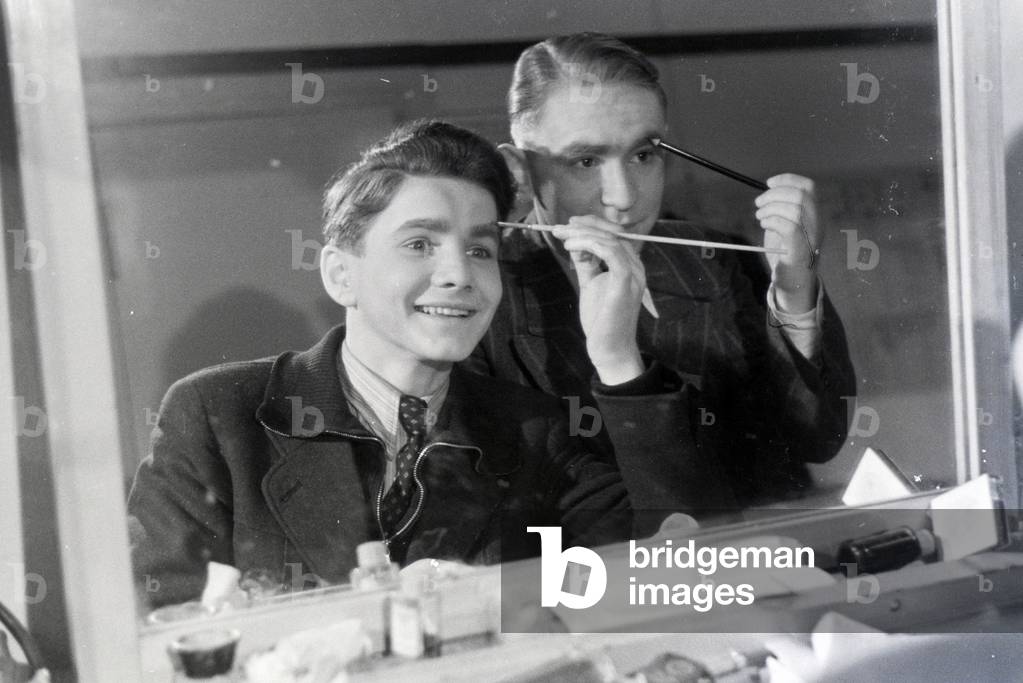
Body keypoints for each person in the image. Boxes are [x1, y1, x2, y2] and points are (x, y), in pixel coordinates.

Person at [126, 120, 695, 609]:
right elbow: (160, 628)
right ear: (339, 274)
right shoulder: (216, 415)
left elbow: (677, 579)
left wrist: (617, 358)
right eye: (420, 244)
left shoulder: (535, 430)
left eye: (479, 250)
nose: (459, 275)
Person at [465, 33, 857, 509]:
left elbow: (818, 439)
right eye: (586, 161)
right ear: (519, 171)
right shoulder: (478, 300)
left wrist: (796, 284)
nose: (624, 197)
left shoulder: (719, 258)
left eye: (643, 155)